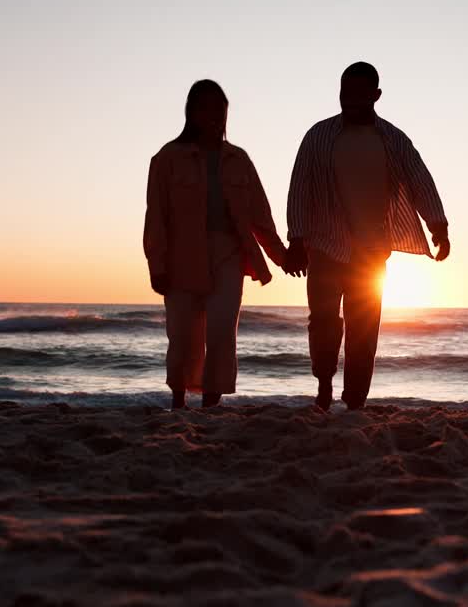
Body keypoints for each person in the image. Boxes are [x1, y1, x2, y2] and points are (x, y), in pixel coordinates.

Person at [284, 62, 451, 410]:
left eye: (360, 92)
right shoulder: (319, 136)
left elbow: (420, 179)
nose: (351, 98)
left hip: (371, 253)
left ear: (376, 95)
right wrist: (296, 240)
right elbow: (300, 186)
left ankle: (356, 400)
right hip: (325, 247)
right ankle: (325, 385)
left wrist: (438, 225)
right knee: (323, 323)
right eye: (345, 91)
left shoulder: (392, 139)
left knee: (364, 331)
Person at [143, 80, 287, 409]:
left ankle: (210, 404)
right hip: (181, 256)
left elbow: (260, 216)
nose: (214, 117)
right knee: (182, 336)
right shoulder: (167, 158)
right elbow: (156, 217)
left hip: (229, 255)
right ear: (191, 113)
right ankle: (178, 401)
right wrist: (157, 265)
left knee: (222, 333)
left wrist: (281, 257)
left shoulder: (238, 159)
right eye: (206, 109)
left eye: (220, 111)